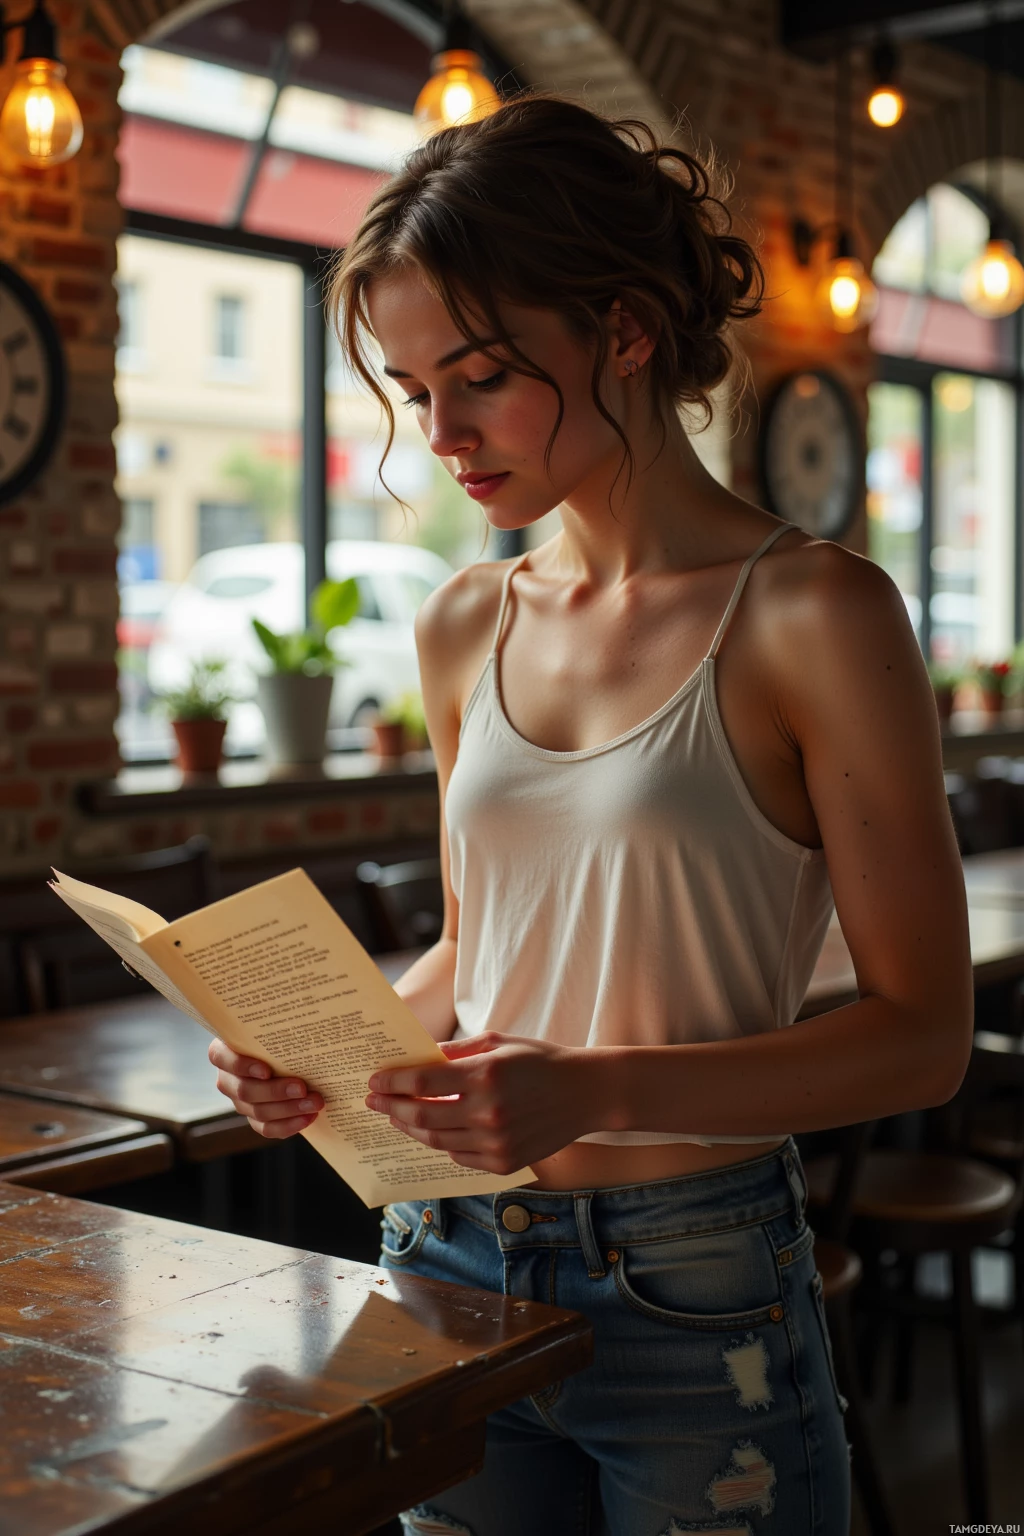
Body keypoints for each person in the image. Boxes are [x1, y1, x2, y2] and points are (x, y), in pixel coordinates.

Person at [207, 93, 973, 1536]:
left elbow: (922, 1040)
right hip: (441, 1252)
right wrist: (332, 1041)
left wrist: (594, 1088)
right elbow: (480, 949)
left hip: (693, 1280)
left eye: (481, 376)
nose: (440, 430)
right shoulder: (460, 622)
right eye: (411, 384)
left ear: (625, 330)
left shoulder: (814, 613)